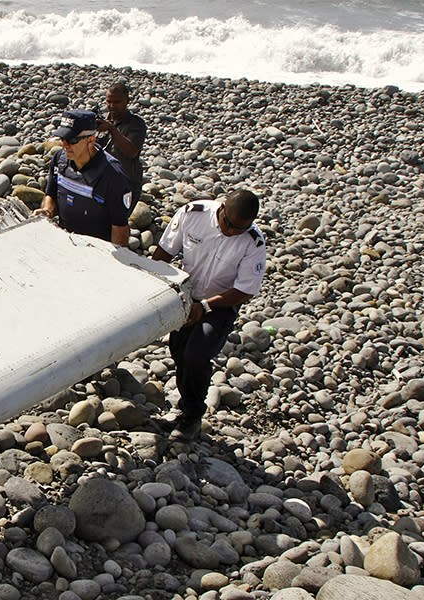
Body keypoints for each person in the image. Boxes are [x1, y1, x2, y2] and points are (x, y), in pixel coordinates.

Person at [152, 190, 267, 440]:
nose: (231, 231)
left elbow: (245, 289)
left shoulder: (253, 242)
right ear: (222, 208)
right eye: (228, 224)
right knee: (179, 351)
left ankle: (193, 415)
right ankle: (184, 408)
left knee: (197, 353)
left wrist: (205, 306)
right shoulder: (194, 214)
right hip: (186, 294)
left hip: (220, 304)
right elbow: (164, 252)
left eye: (239, 229)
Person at [36, 110, 133, 246]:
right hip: (65, 242)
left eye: (72, 140)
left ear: (91, 140)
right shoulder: (59, 160)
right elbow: (50, 195)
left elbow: (120, 228)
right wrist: (47, 212)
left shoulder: (113, 175)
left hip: (97, 250)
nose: (65, 145)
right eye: (62, 138)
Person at [97, 81, 147, 193]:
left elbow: (131, 152)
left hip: (126, 183)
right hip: (101, 180)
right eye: (109, 101)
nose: (112, 106)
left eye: (117, 102)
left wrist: (112, 129)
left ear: (127, 101)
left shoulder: (136, 124)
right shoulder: (102, 121)